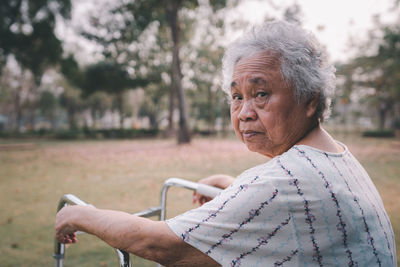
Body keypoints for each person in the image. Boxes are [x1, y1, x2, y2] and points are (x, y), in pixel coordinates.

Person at [55, 21, 396, 266]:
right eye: (236, 96)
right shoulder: (334, 158)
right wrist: (229, 188)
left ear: (310, 100)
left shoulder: (284, 181)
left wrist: (81, 214)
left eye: (261, 94)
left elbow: (160, 244)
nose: (244, 112)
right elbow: (294, 213)